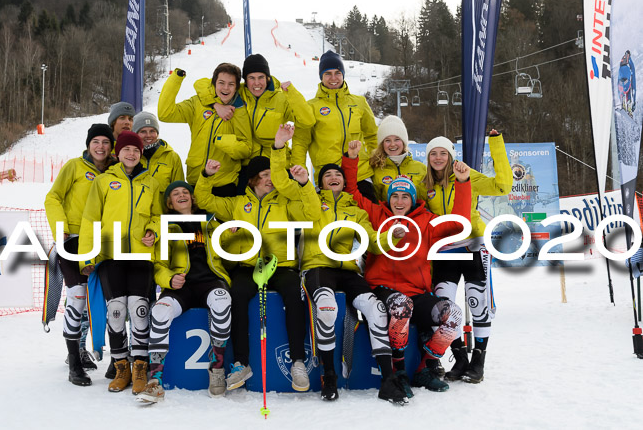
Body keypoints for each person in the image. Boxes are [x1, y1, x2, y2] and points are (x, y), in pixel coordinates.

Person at [194, 126, 319, 393]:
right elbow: (203, 198)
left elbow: (312, 212)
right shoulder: (238, 204)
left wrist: (305, 184)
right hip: (247, 266)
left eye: (272, 174)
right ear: (252, 179)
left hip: (281, 266)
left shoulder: (286, 202)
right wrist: (206, 175)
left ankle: (297, 362)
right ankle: (241, 363)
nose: (270, 179)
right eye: (264, 175)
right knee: (237, 296)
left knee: (294, 294)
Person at [286, 130, 406, 403]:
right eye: (327, 175)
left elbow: (372, 242)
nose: (333, 178)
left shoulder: (356, 210)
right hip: (318, 266)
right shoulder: (310, 202)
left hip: (348, 270)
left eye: (338, 175)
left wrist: (391, 236)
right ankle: (329, 375)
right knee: (327, 310)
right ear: (320, 182)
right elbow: (301, 199)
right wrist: (304, 184)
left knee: (376, 310)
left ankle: (388, 380)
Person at [344, 139, 470, 396]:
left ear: (412, 200)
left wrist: (463, 183)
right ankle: (399, 369)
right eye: (395, 196)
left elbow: (459, 225)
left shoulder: (426, 221)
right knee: (402, 305)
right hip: (384, 289)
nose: (399, 201)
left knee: (453, 315)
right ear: (388, 198)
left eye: (405, 197)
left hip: (417, 291)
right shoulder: (377, 215)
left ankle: (425, 368)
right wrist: (352, 159)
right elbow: (352, 193)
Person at [417, 131, 512, 383]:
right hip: (444, 250)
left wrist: (496, 143)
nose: (438, 158)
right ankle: (459, 359)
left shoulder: (466, 174)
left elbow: (503, 186)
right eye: (433, 154)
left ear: (451, 156)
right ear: (428, 158)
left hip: (472, 245)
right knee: (442, 308)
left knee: (476, 301)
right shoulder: (424, 185)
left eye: (443, 153)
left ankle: (478, 363)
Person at [78, 131, 162, 395]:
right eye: (126, 149)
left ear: (140, 154)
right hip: (111, 255)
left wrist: (153, 231)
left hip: (140, 255)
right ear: (119, 152)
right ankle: (121, 366)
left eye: (136, 150)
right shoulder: (103, 181)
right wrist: (88, 256)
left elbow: (158, 215)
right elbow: (90, 219)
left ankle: (139, 367)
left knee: (139, 310)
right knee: (116, 311)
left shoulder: (152, 182)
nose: (131, 154)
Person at [137, 181, 232, 402]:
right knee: (159, 311)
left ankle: (217, 369)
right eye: (175, 194)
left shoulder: (211, 222)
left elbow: (230, 245)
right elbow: (159, 265)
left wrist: (231, 231)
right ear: (169, 202)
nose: (181, 196)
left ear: (192, 198)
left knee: (222, 301)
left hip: (211, 281)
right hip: (182, 286)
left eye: (185, 192)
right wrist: (169, 279)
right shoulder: (165, 226)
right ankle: (155, 380)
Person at [44, 123, 117, 385]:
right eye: (96, 141)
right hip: (74, 239)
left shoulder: (116, 170)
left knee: (112, 300)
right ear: (88, 144)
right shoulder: (74, 167)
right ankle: (74, 362)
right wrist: (60, 227)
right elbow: (52, 198)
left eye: (106, 142)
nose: (100, 147)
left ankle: (117, 360)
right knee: (77, 297)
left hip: (105, 241)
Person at [214, 53, 314, 193]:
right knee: (244, 209)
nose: (256, 83)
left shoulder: (280, 98)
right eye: (251, 78)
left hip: (275, 163)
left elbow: (307, 120)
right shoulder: (237, 93)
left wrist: (291, 93)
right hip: (247, 164)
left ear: (267, 78)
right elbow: (203, 85)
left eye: (261, 77)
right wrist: (215, 104)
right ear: (245, 80)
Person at [292, 50, 378, 202]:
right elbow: (300, 143)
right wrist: (299, 172)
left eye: (337, 73)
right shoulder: (310, 107)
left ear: (343, 74)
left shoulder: (358, 102)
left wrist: (376, 161)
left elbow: (372, 135)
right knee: (329, 224)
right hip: (327, 177)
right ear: (321, 77)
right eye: (327, 73)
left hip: (360, 174)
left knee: (369, 221)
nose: (333, 78)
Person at [158, 64, 252, 196]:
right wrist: (176, 79)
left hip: (223, 184)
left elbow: (246, 149)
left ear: (236, 87)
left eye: (231, 84)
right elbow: (165, 114)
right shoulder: (198, 103)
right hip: (196, 180)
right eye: (221, 83)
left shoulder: (240, 111)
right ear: (213, 84)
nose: (225, 88)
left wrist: (221, 140)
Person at [369, 115, 426, 202]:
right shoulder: (376, 170)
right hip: (388, 215)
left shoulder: (421, 168)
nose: (392, 144)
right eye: (387, 140)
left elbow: (428, 199)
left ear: (403, 142)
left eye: (397, 139)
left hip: (417, 215)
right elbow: (376, 204)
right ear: (382, 144)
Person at [131, 111, 185, 202]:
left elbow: (179, 190)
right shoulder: (129, 157)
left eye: (152, 131)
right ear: (135, 134)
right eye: (143, 131)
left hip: (162, 213)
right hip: (137, 214)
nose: (148, 135)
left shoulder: (172, 157)